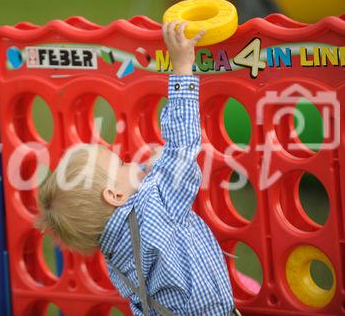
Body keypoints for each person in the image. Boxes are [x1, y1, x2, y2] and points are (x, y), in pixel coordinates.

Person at [35, 20, 237, 315]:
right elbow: (183, 146)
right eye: (121, 164)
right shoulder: (157, 209)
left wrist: (155, 169)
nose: (132, 162)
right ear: (114, 195)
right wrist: (181, 68)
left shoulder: (115, 250)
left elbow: (144, 208)